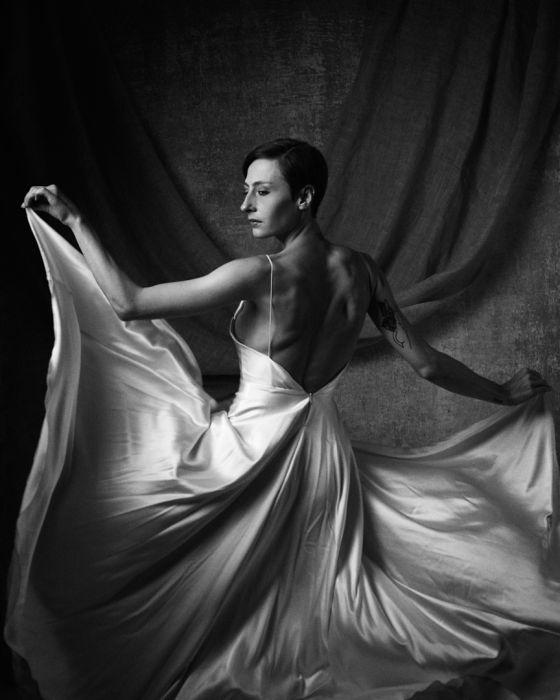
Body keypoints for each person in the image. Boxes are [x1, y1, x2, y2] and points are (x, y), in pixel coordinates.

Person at [7, 138, 560, 699]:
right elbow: (426, 363)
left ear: (304, 197)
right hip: (325, 458)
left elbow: (128, 303)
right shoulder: (363, 273)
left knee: (125, 499)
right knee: (301, 582)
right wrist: (501, 393)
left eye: (262, 191)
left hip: (249, 454)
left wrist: (75, 220)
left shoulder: (258, 274)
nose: (245, 204)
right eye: (246, 190)